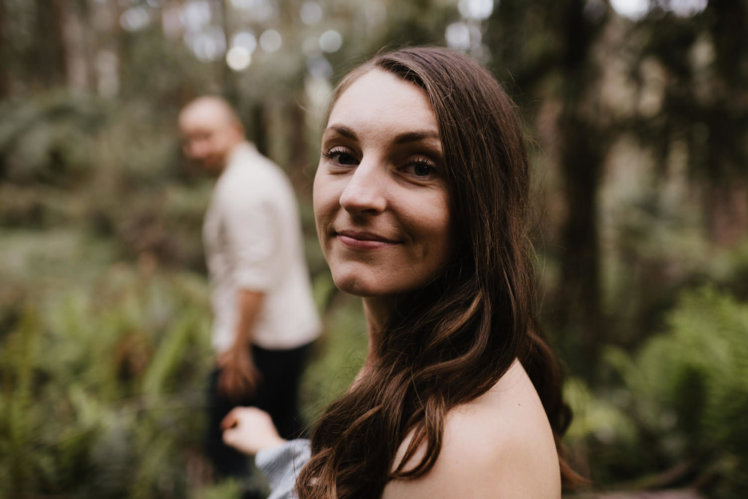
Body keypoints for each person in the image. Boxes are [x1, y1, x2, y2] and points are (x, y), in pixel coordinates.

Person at [221, 47, 582, 498]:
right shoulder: (422, 370)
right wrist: (276, 449)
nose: (356, 195)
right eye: (341, 154)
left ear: (482, 201)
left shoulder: (450, 450)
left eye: (419, 166)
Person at [178, 96, 321, 480]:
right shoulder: (260, 173)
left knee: (228, 445)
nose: (196, 149)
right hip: (286, 333)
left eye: (206, 136)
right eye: (189, 140)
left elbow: (252, 275)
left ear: (235, 130)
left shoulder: (242, 186)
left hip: (261, 343)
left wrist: (237, 350)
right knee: (287, 434)